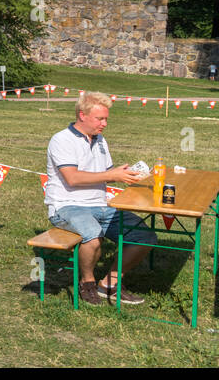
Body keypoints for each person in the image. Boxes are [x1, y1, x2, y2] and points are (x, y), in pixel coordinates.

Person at [45, 91, 156, 306]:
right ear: (82, 115)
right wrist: (111, 174)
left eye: (106, 119)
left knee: (145, 236)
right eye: (100, 119)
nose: (104, 124)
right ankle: (87, 282)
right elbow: (73, 178)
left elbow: (104, 173)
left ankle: (109, 283)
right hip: (67, 207)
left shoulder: (100, 140)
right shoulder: (62, 140)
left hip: (100, 206)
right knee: (92, 235)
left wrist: (125, 174)